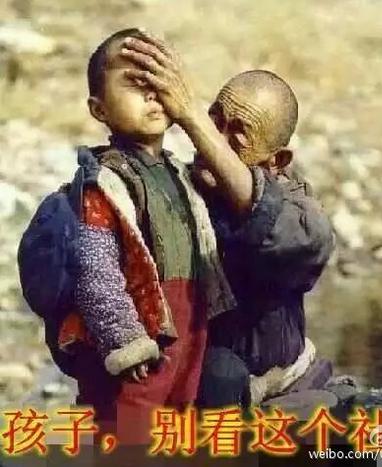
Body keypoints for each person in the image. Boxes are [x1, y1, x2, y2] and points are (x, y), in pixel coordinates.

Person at [121, 34, 336, 410]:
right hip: (184, 388)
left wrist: (190, 115)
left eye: (236, 134)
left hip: (276, 391)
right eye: (213, 121)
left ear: (276, 160)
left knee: (222, 373)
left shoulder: (297, 209)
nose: (213, 141)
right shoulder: (177, 186)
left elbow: (298, 238)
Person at [55, 28, 236, 445]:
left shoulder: (178, 172)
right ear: (99, 109)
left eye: (156, 81)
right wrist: (125, 340)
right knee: (129, 421)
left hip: (187, 321)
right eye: (135, 84)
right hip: (141, 329)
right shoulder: (105, 182)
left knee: (179, 411)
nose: (152, 94)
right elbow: (95, 268)